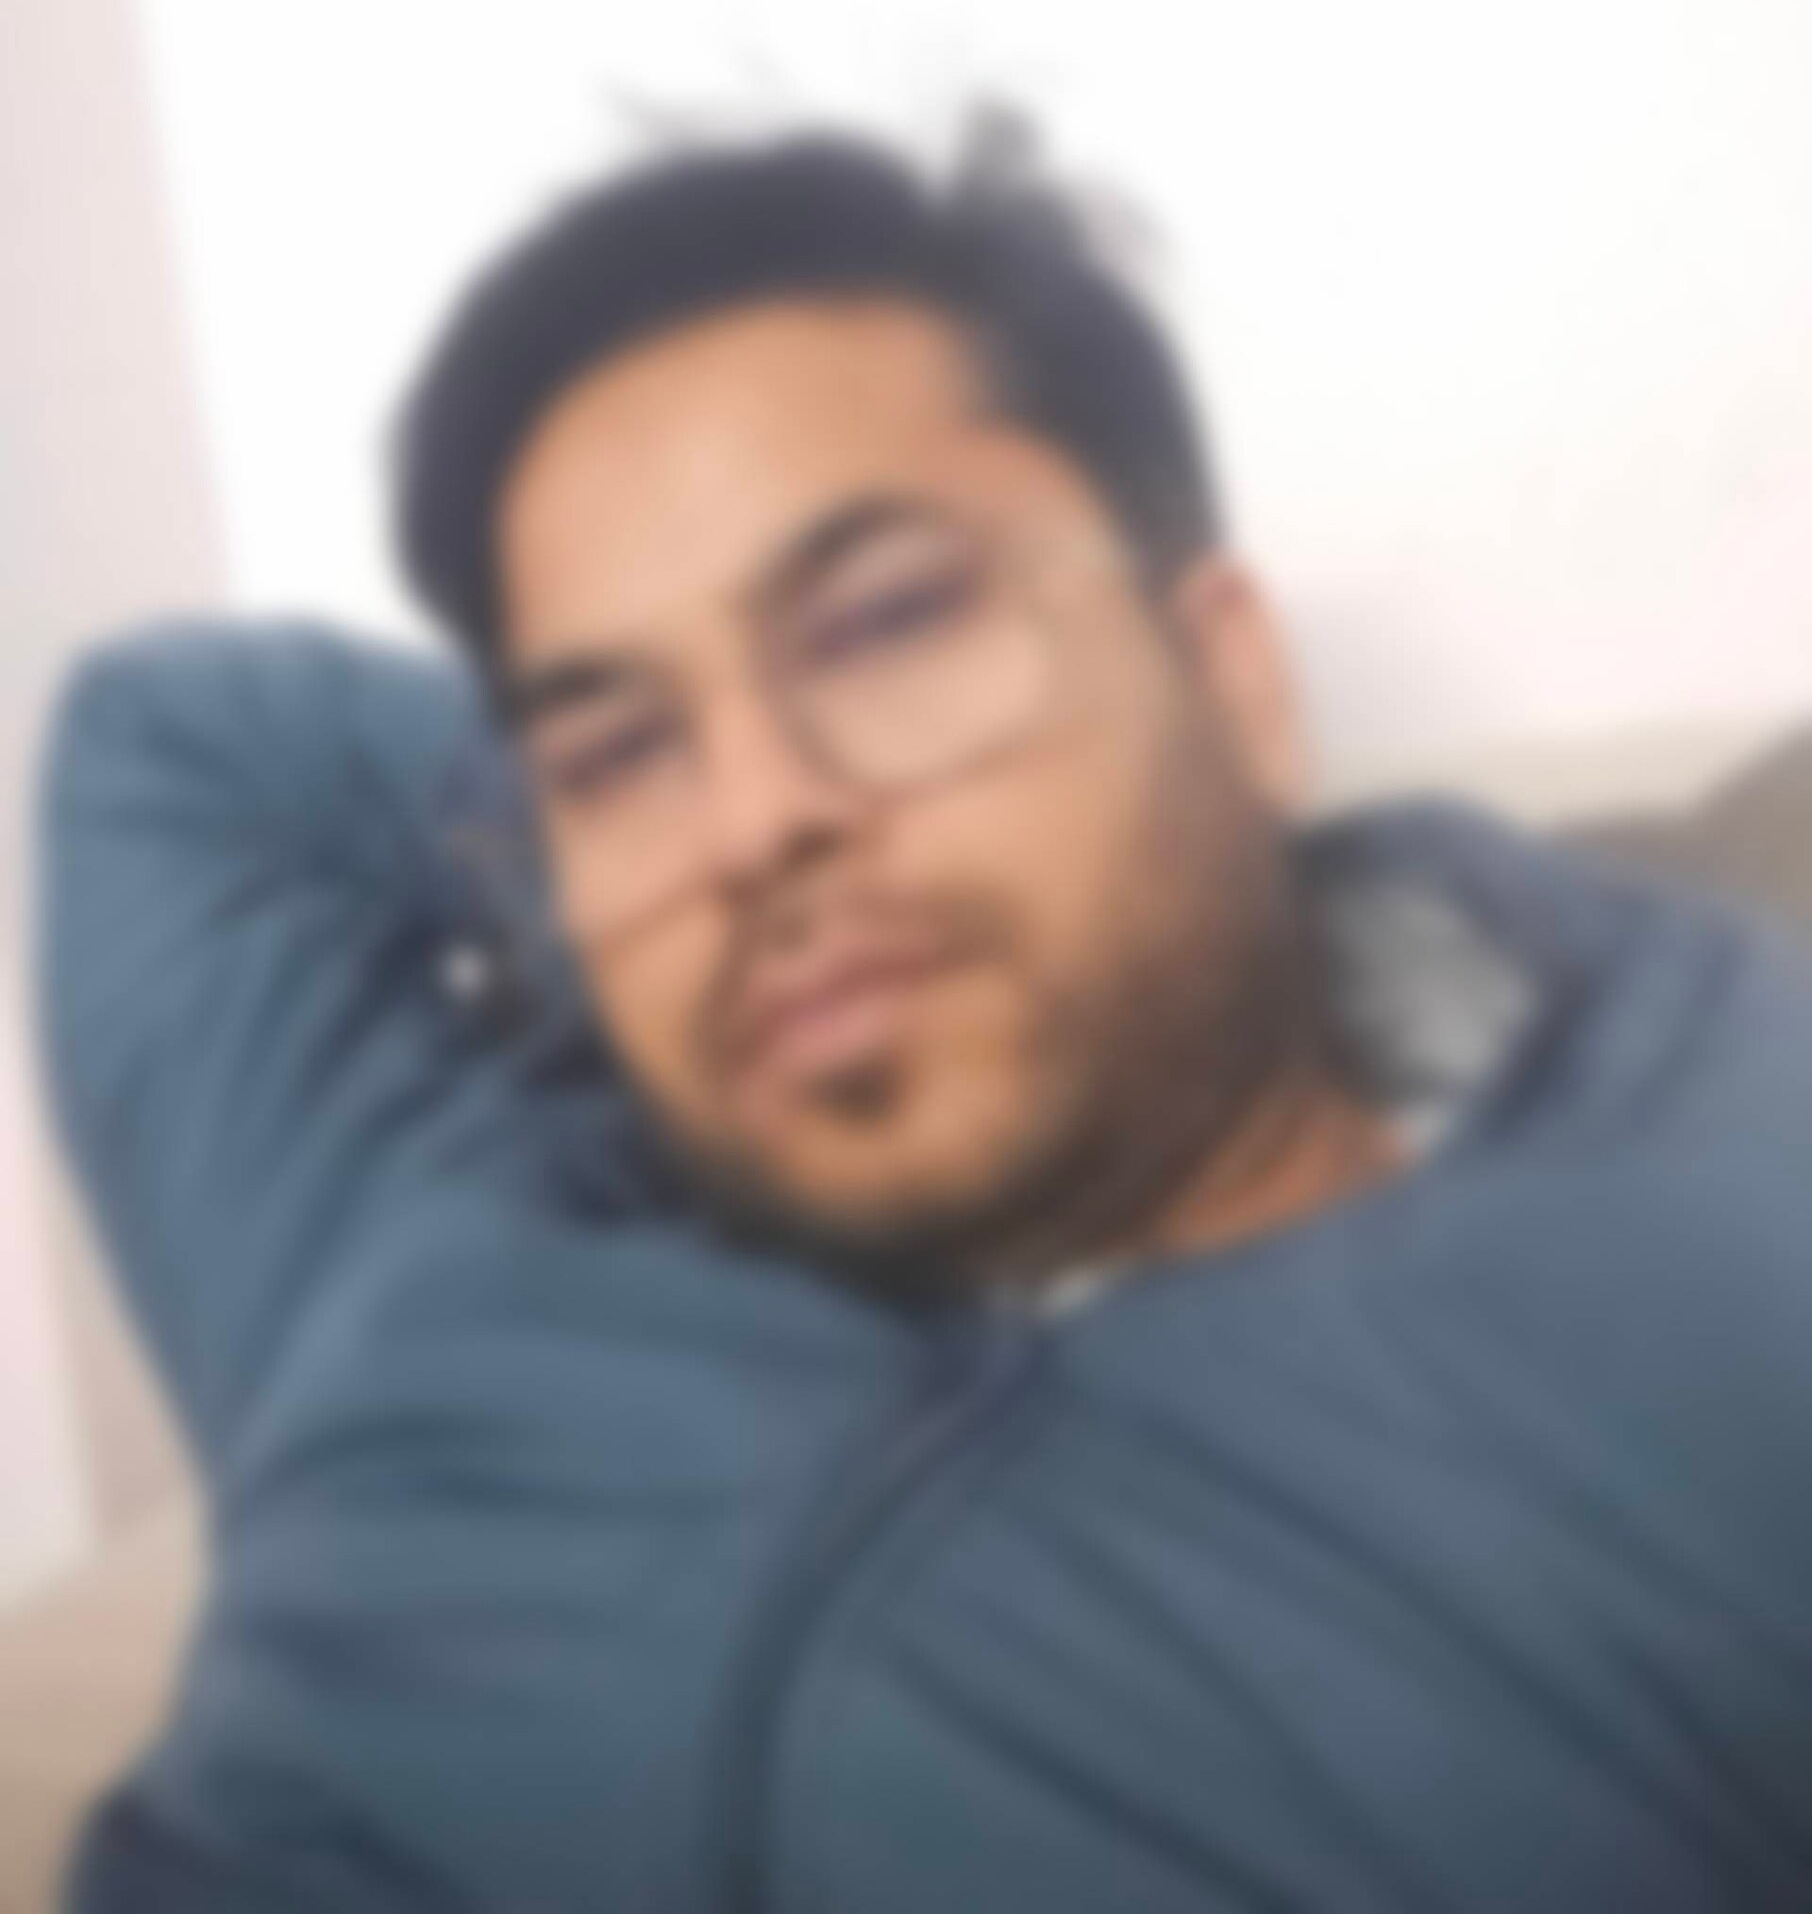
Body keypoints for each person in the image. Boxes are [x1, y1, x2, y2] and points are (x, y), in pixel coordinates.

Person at [36, 116, 1812, 1911]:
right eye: (616, 750)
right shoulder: (400, 1232)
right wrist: (622, 884)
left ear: (1231, 682)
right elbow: (162, 740)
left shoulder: (1718, 1251)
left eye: (885, 622)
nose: (751, 822)